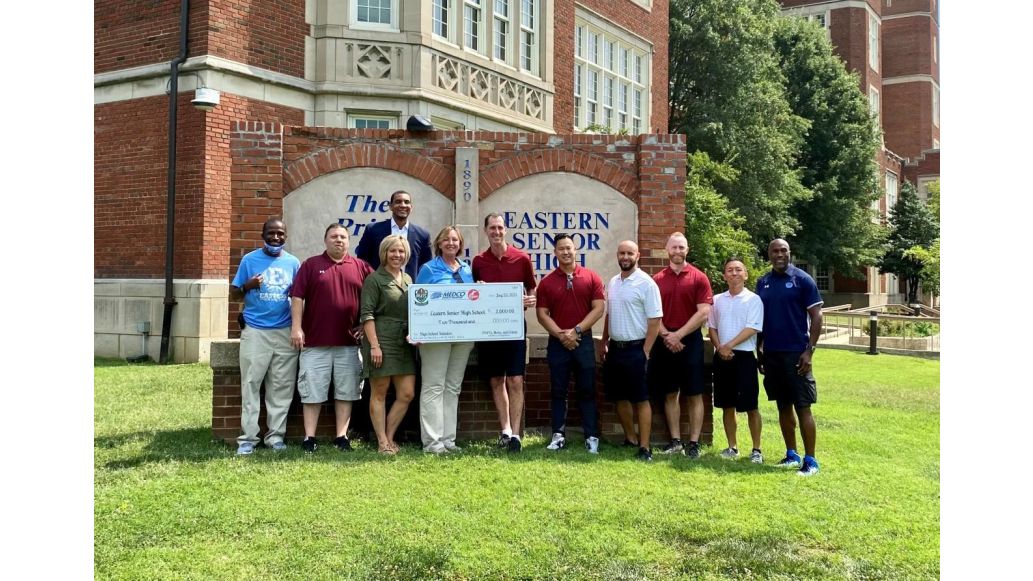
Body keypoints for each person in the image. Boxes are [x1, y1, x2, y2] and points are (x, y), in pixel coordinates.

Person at [290, 224, 373, 453]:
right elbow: (297, 297)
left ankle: (341, 436)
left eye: (343, 237)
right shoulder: (311, 265)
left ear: (349, 241)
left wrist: (367, 326)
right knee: (312, 391)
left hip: (348, 343)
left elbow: (375, 299)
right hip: (315, 343)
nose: (339, 240)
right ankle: (309, 437)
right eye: (334, 236)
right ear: (325, 240)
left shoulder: (361, 267)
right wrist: (296, 328)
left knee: (346, 391)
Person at [230, 217, 301, 455]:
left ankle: (275, 437)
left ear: (286, 236)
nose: (276, 237)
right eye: (271, 233)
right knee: (251, 384)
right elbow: (234, 296)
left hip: (284, 331)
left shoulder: (293, 263)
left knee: (281, 386)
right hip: (256, 330)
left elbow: (299, 298)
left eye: (280, 234)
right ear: (263, 234)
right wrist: (247, 286)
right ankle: (248, 439)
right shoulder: (249, 260)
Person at [756, 238, 824, 477]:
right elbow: (759, 320)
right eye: (775, 251)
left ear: (789, 253)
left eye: (783, 250)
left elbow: (816, 317)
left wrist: (809, 350)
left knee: (802, 407)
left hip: (797, 354)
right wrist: (760, 351)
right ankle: (791, 454)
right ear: (769, 255)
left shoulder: (802, 280)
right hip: (772, 354)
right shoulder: (763, 283)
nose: (779, 254)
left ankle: (811, 460)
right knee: (783, 405)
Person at [471, 213, 537, 453]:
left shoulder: (521, 258)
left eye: (500, 228)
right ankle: (505, 431)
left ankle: (517, 435)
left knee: (516, 379)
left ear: (505, 230)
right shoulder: (479, 261)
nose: (496, 232)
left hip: (514, 327)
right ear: (486, 231)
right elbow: (474, 293)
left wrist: (529, 299)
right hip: (490, 330)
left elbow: (532, 287)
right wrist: (477, 290)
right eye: (492, 228)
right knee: (497, 379)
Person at [535, 234, 605, 454]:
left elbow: (598, 308)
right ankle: (558, 435)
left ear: (576, 251)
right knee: (558, 391)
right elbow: (541, 313)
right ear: (555, 253)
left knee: (587, 390)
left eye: (569, 248)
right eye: (561, 249)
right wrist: (561, 335)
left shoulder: (591, 277)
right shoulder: (547, 282)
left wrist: (575, 332)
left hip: (583, 342)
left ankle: (591, 436)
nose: (565, 252)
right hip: (558, 344)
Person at [648, 232, 713, 459]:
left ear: (688, 249)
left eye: (681, 247)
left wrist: (679, 335)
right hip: (664, 341)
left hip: (690, 341)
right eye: (674, 247)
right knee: (669, 393)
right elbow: (653, 313)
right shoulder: (656, 280)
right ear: (667, 249)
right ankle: (675, 441)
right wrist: (667, 335)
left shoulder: (699, 277)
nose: (678, 251)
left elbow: (704, 311)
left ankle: (693, 443)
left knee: (695, 394)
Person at [415, 226, 476, 454]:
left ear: (460, 244)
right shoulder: (429, 269)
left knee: (453, 387)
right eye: (446, 240)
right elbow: (417, 301)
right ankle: (432, 442)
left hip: (462, 336)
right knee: (433, 386)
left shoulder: (467, 270)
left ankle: (448, 440)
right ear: (439, 244)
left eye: (455, 240)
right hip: (435, 337)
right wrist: (418, 329)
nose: (451, 243)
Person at [600, 241, 663, 461]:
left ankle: (645, 448)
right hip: (616, 348)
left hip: (637, 348)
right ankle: (630, 438)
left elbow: (655, 320)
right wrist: (604, 340)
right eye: (622, 253)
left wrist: (646, 350)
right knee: (620, 397)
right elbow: (610, 314)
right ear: (617, 255)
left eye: (629, 253)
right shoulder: (613, 282)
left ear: (638, 255)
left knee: (641, 398)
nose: (625, 257)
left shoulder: (646, 283)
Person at [360, 235, 418, 454]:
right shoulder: (374, 279)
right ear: (384, 253)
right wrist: (374, 345)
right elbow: (366, 314)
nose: (397, 255)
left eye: (401, 251)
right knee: (380, 392)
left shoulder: (409, 279)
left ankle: (390, 436)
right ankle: (382, 442)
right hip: (381, 340)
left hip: (404, 342)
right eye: (393, 251)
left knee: (406, 393)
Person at [707, 258, 765, 464]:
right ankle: (732, 447)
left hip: (743, 357)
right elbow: (711, 327)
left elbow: (752, 327)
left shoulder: (753, 300)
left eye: (738, 270)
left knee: (751, 405)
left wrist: (728, 345)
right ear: (724, 276)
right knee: (727, 405)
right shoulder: (716, 300)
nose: (734, 273)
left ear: (746, 274)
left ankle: (756, 449)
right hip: (721, 357)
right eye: (730, 270)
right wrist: (720, 347)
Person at [354, 190, 432, 281]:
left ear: (411, 207)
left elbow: (426, 266)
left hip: (410, 289)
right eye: (398, 202)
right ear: (390, 206)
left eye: (406, 202)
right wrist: (373, 280)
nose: (403, 205)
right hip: (379, 288)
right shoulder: (373, 230)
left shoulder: (422, 235)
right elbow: (362, 261)